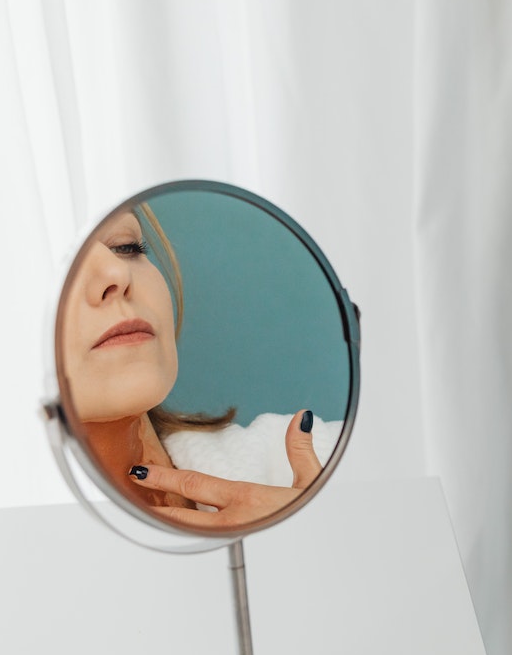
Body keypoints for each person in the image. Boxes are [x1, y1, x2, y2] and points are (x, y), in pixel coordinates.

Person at [60, 204, 339, 528]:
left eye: (126, 246)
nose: (118, 273)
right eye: (62, 267)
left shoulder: (313, 465)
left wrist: (324, 530)